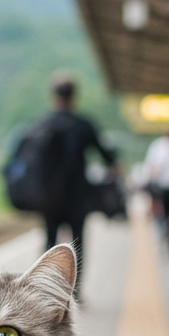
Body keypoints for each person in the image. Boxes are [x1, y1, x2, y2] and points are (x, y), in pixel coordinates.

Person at [37, 76, 118, 294]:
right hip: (77, 197)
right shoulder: (83, 124)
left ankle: (45, 291)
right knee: (77, 245)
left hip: (49, 197)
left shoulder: (43, 123)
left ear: (54, 96)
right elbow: (107, 157)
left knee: (49, 243)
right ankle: (75, 292)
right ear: (74, 97)